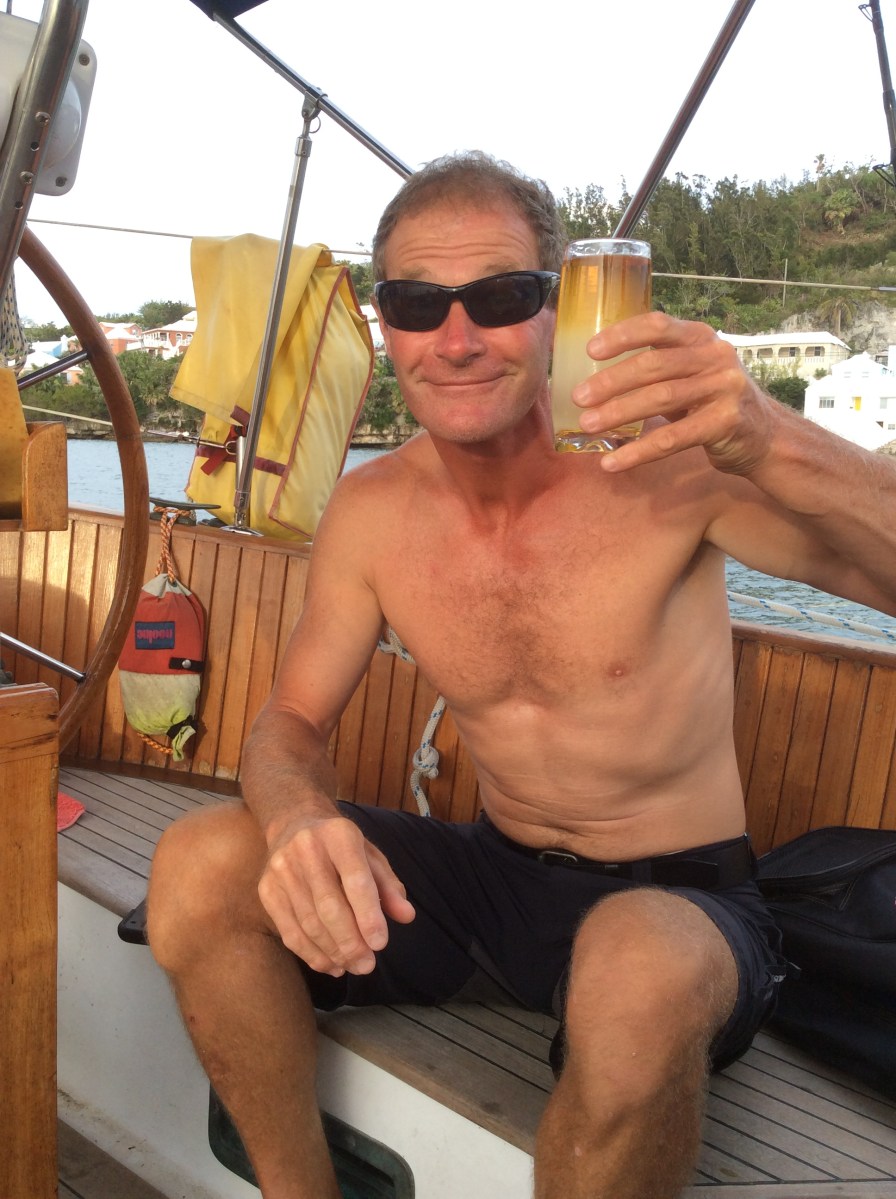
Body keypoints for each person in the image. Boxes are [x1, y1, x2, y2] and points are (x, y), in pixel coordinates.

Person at [147, 151, 896, 1199]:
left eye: (499, 297)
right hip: (493, 883)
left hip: (678, 902)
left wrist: (767, 434)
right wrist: (295, 818)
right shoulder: (374, 511)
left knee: (636, 968)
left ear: (555, 310)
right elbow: (289, 724)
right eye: (418, 303)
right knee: (197, 863)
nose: (455, 339)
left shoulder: (674, 472)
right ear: (386, 323)